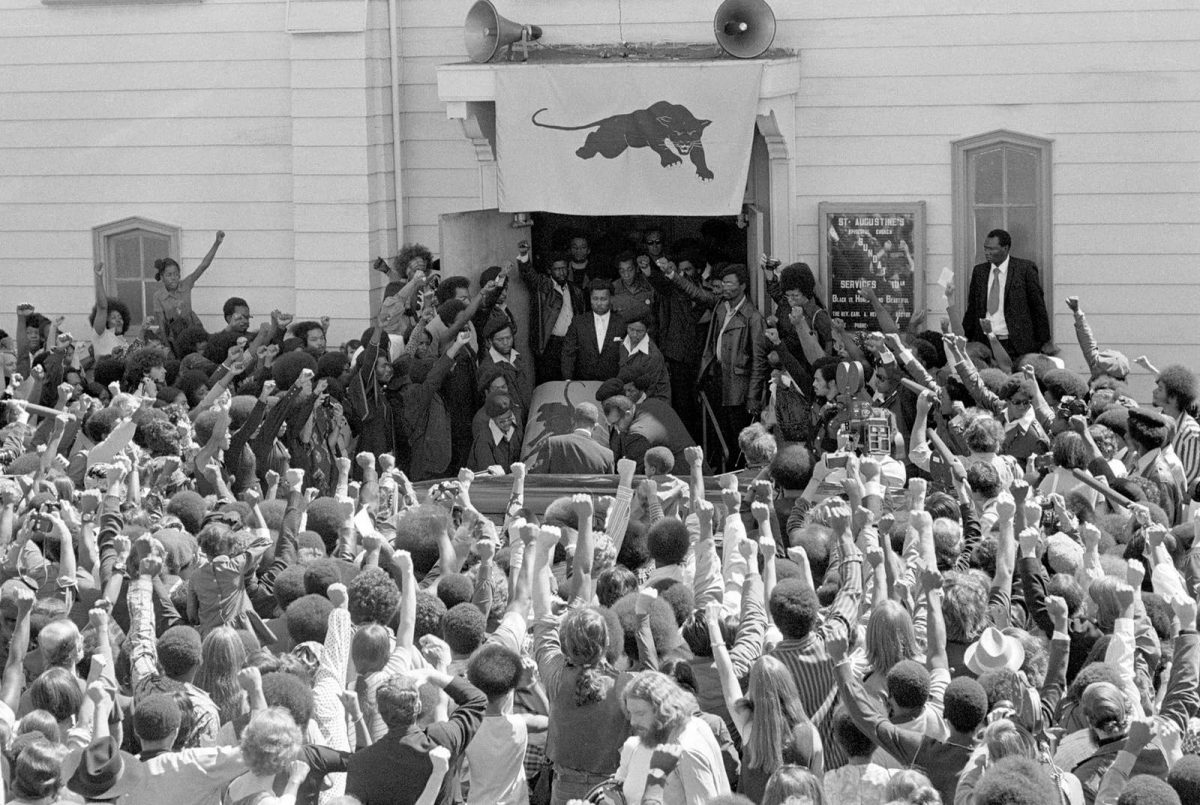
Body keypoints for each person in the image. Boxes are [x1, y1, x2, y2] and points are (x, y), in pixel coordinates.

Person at [662, 261, 767, 471]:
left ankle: (738, 476)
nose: (725, 287)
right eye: (724, 283)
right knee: (719, 436)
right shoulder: (720, 306)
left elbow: (759, 362)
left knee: (738, 441)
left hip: (739, 389)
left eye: (730, 284)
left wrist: (753, 398)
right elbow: (697, 294)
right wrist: (673, 275)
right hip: (717, 381)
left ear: (743, 286)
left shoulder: (752, 317)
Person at [345, 665, 487, 805]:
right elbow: (478, 700)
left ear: (380, 712)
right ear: (418, 707)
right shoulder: (443, 739)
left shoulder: (360, 763)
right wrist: (430, 674)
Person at [615, 670, 731, 805]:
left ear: (663, 709)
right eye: (630, 713)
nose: (633, 722)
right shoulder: (695, 724)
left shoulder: (686, 752)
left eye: (640, 713)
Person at [962, 228, 1052, 360]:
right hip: (984, 343)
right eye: (985, 248)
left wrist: (1044, 340)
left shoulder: (1024, 269)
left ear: (1005, 248)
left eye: (992, 249)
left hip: (1015, 343)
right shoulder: (980, 272)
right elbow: (972, 308)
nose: (987, 252)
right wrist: (965, 336)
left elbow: (1037, 307)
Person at [517, 246, 585, 384]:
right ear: (549, 271)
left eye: (564, 268)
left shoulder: (575, 290)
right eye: (557, 269)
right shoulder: (543, 286)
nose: (562, 272)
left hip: (571, 342)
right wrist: (524, 255)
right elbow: (528, 273)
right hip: (550, 344)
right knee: (550, 383)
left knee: (570, 382)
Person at [152, 230, 225, 351]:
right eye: (169, 275)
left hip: (192, 330)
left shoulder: (186, 284)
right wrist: (167, 348)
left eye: (176, 274)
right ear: (162, 277)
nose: (173, 278)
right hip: (173, 336)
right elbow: (161, 325)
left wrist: (217, 243)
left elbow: (203, 266)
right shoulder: (158, 296)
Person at [561, 280, 625, 383]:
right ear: (590, 298)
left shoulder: (621, 322)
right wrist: (568, 379)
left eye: (603, 299)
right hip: (583, 383)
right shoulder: (578, 322)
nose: (599, 303)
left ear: (611, 299)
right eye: (595, 299)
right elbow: (568, 352)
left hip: (612, 382)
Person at [532, 402, 614, 474]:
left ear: (573, 421)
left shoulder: (552, 443)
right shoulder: (607, 455)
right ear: (596, 426)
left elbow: (535, 476)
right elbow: (610, 488)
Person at [617, 308, 671, 405]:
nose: (634, 335)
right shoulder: (621, 343)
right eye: (631, 329)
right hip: (629, 394)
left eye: (639, 331)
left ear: (647, 330)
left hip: (653, 401)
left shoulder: (653, 355)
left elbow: (649, 390)